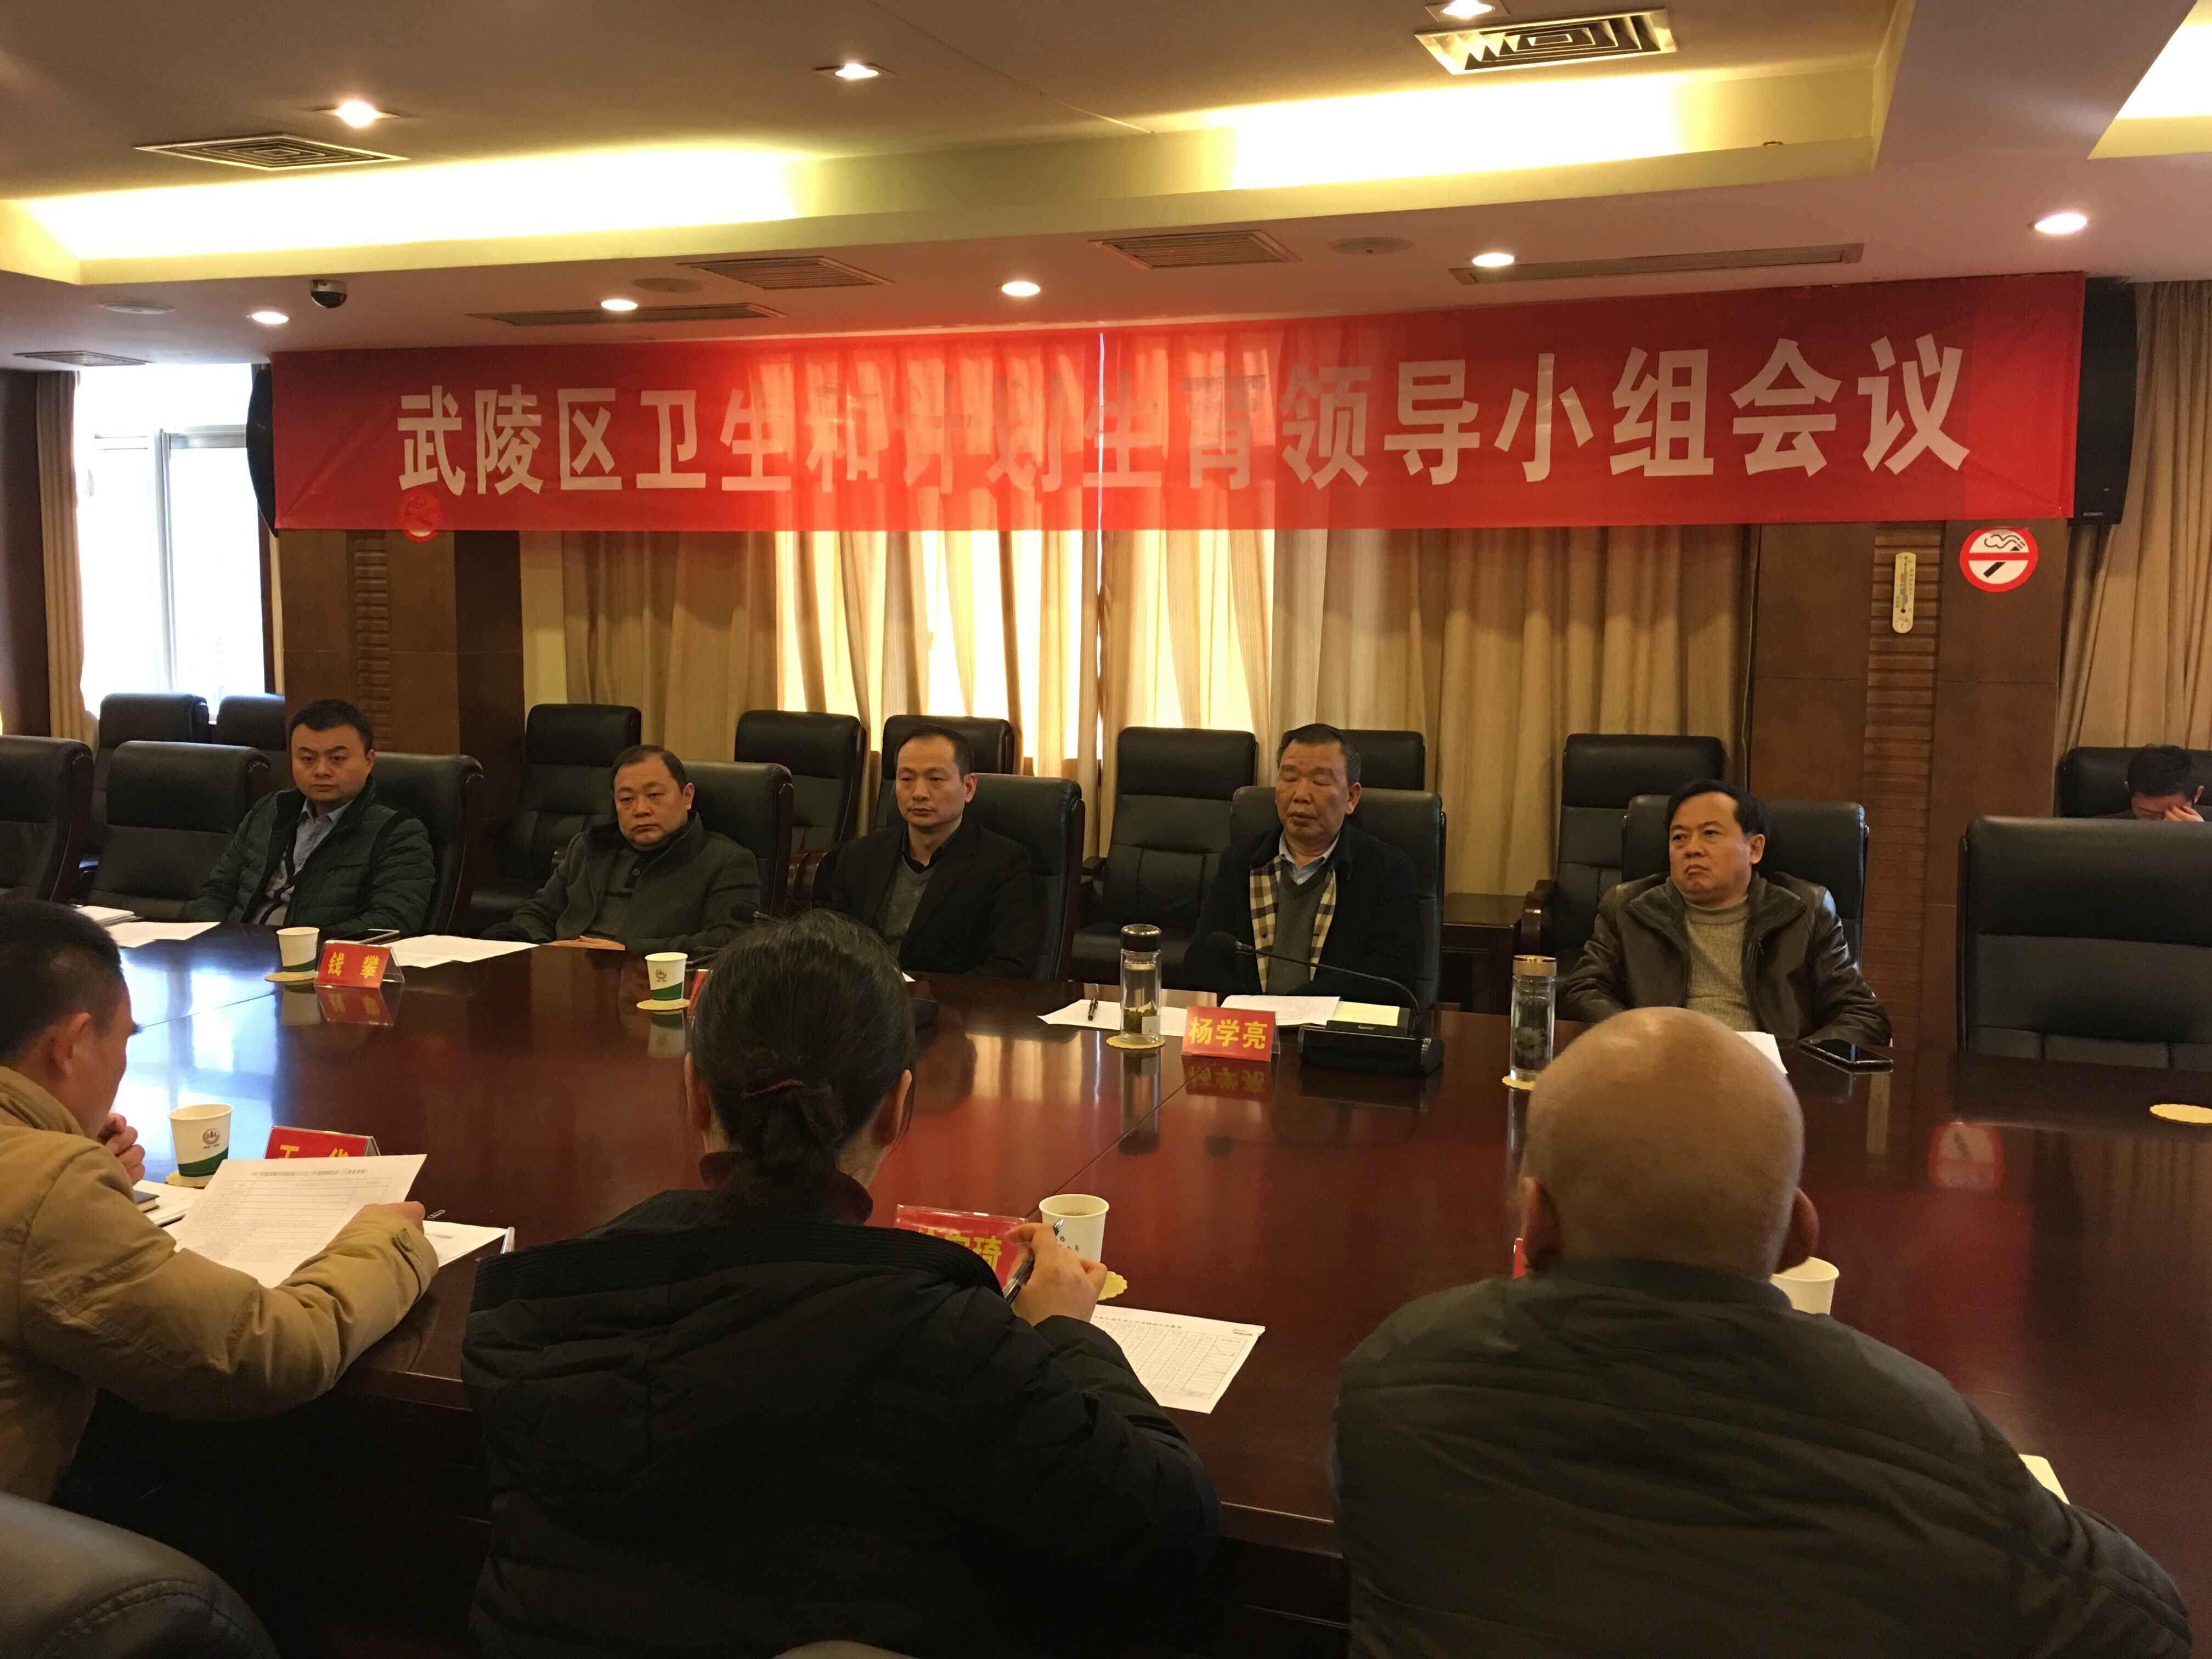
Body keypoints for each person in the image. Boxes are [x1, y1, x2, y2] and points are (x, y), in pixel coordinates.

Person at [463, 910, 1217, 1658]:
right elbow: (1170, 1525)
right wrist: (1068, 1333)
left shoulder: (535, 1309)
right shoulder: (942, 1338)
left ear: (695, 1093)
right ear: (897, 1107)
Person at [1334, 1006, 2190, 1659]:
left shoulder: (1391, 1390)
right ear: (1797, 1237)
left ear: (1536, 1220)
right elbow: (2151, 1624)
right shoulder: (1927, 1444)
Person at [0, 900, 435, 1503]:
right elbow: (268, 1352)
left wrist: (68, 1158)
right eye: (124, 1041)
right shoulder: (49, 1189)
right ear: (71, 1045)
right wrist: (388, 1240)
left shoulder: (42, 1175)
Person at [1561, 778, 1889, 1046]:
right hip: (1659, 1067)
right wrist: (1641, 1037)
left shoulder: (1805, 909)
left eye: (1710, 834)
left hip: (1769, 1078)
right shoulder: (1628, 907)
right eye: (1679, 838)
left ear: (1755, 849)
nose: (1692, 849)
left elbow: (1863, 1016)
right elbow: (1583, 991)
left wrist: (1797, 1060)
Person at [1183, 723, 1423, 1004]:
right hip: (1250, 1024)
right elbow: (1201, 960)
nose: (1300, 795)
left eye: (1320, 782)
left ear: (1351, 797)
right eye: (1290, 778)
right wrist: (1256, 1009)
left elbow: (1394, 974)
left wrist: (1295, 1007)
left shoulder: (1387, 870)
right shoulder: (1239, 863)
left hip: (1334, 1027)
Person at [188, 698, 435, 938]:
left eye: (337, 759)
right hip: (238, 952)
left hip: (317, 957)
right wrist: (213, 939)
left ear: (368, 761)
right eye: (307, 759)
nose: (321, 771)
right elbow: (217, 891)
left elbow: (392, 921)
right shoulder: (270, 810)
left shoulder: (398, 832)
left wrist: (305, 945)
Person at [487, 744, 759, 955]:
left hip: (652, 984)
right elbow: (535, 914)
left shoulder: (726, 860)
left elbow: (730, 942)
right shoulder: (589, 847)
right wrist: (548, 951)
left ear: (687, 796)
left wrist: (627, 952)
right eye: (627, 799)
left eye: (654, 795)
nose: (641, 810)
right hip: (568, 977)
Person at [821, 724, 1041, 978]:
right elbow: (831, 945)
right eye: (907, 779)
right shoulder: (859, 856)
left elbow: (1011, 966)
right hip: (863, 996)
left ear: (969, 787)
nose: (919, 793)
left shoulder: (1004, 863)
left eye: (935, 779)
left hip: (952, 1000)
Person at [2115, 744, 2204, 821]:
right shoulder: (2109, 827)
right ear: (2129, 789)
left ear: (2197, 795)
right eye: (2147, 814)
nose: (2162, 824)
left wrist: (2199, 832)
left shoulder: (2208, 828)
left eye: (2176, 813)